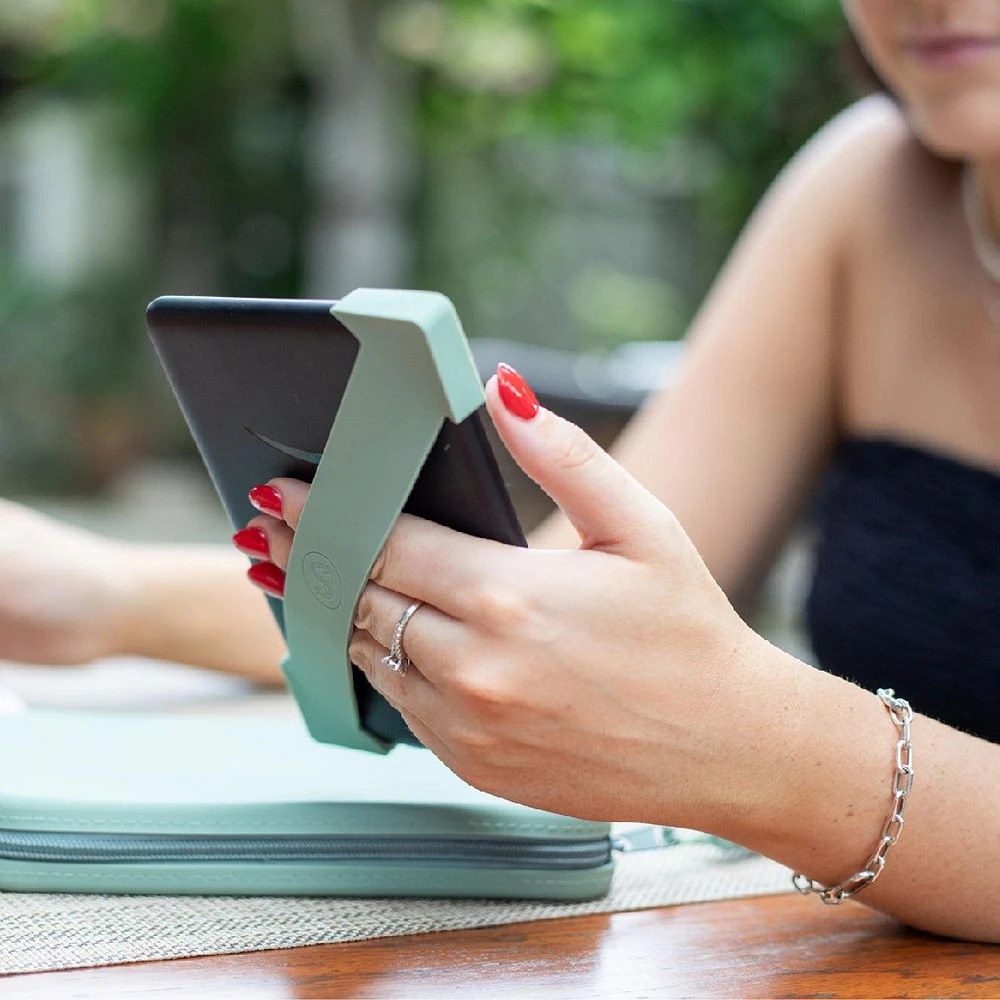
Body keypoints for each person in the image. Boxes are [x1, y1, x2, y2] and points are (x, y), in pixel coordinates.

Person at [0, 0, 998, 940]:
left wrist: (773, 752)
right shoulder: (869, 189)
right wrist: (96, 598)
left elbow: (689, 702)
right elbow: (538, 618)